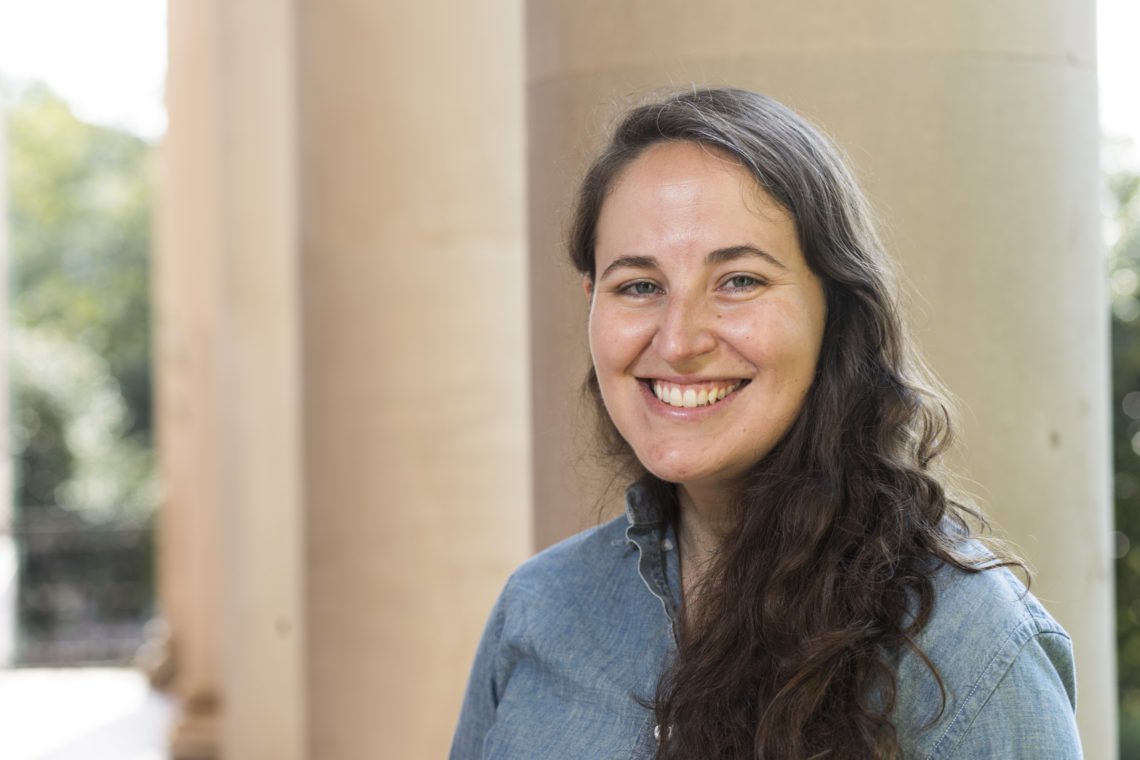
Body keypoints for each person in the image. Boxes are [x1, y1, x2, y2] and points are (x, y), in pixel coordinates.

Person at [449, 88, 1081, 759]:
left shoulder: (968, 647)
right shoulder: (540, 611)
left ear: (836, 310)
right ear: (592, 302)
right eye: (639, 286)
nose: (679, 339)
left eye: (740, 281)